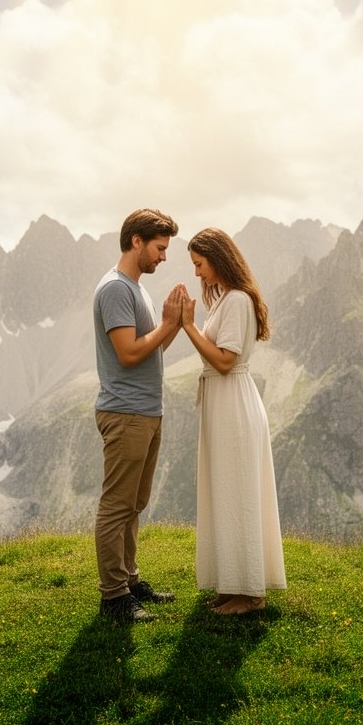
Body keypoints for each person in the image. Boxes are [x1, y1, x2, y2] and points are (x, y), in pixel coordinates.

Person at [180, 227, 286, 616]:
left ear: (217, 259)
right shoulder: (227, 299)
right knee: (228, 491)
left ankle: (249, 594)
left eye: (199, 264)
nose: (196, 273)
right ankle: (235, 584)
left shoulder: (238, 299)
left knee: (238, 493)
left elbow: (224, 360)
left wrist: (188, 326)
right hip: (225, 404)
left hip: (233, 403)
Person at [93, 207, 186, 622]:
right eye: (160, 248)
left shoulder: (137, 289)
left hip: (146, 413)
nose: (164, 257)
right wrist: (169, 324)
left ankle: (130, 580)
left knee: (135, 503)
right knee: (117, 506)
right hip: (126, 414)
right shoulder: (116, 289)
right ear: (136, 241)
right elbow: (128, 354)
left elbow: (149, 349)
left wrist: (176, 326)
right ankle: (113, 596)